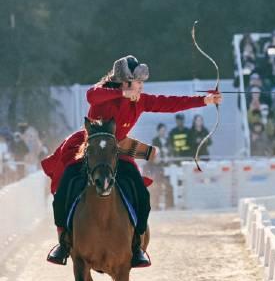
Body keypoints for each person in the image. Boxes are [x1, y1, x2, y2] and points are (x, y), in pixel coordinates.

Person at [42, 55, 222, 267]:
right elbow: (92, 95)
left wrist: (204, 101)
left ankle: (136, 244)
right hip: (88, 147)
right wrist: (122, 93)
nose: (141, 87)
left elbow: (169, 103)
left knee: (140, 192)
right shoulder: (105, 93)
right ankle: (63, 242)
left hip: (116, 150)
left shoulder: (141, 100)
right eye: (138, 83)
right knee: (66, 186)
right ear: (124, 82)